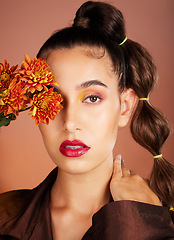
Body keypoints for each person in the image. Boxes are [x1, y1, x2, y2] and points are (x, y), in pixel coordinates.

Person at [0, 1, 174, 239]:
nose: (70, 123)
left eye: (92, 98)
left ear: (125, 107)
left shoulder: (164, 219)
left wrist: (139, 222)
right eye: (54, 99)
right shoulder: (4, 217)